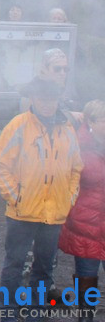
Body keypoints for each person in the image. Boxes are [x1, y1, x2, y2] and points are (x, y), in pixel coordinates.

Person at [0, 74, 82, 314]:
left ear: (58, 100)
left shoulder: (67, 128)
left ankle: (35, 312)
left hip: (53, 216)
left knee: (44, 268)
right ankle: (8, 314)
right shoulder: (18, 125)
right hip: (22, 213)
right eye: (42, 98)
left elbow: (76, 169)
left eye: (51, 99)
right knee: (14, 266)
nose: (46, 104)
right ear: (33, 98)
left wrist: (68, 200)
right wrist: (15, 197)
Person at [59, 99, 105, 320]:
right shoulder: (77, 146)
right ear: (90, 122)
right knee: (87, 279)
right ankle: (85, 318)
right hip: (86, 225)